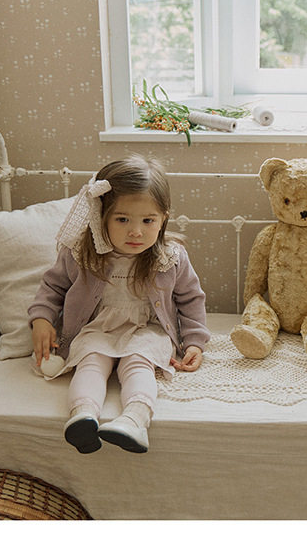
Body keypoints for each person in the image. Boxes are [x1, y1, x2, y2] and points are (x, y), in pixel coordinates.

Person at [28, 155, 210, 454]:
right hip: (97, 328)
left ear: (163, 218)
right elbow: (52, 287)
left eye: (148, 221)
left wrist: (195, 342)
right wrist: (41, 319)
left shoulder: (170, 257)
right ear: (101, 216)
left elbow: (191, 299)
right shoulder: (80, 253)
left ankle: (135, 420)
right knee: (91, 361)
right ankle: (83, 416)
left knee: (139, 363)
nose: (135, 231)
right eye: (122, 219)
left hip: (147, 329)